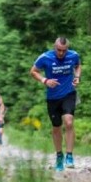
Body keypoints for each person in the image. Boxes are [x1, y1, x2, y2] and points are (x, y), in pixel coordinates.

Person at [30, 37, 82, 172]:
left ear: (67, 49)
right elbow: (33, 71)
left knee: (69, 122)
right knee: (56, 127)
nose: (61, 53)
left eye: (64, 51)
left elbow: (78, 65)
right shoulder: (45, 57)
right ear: (54, 47)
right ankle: (59, 156)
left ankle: (69, 156)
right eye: (58, 50)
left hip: (69, 94)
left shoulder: (73, 55)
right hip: (52, 97)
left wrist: (77, 77)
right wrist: (45, 80)